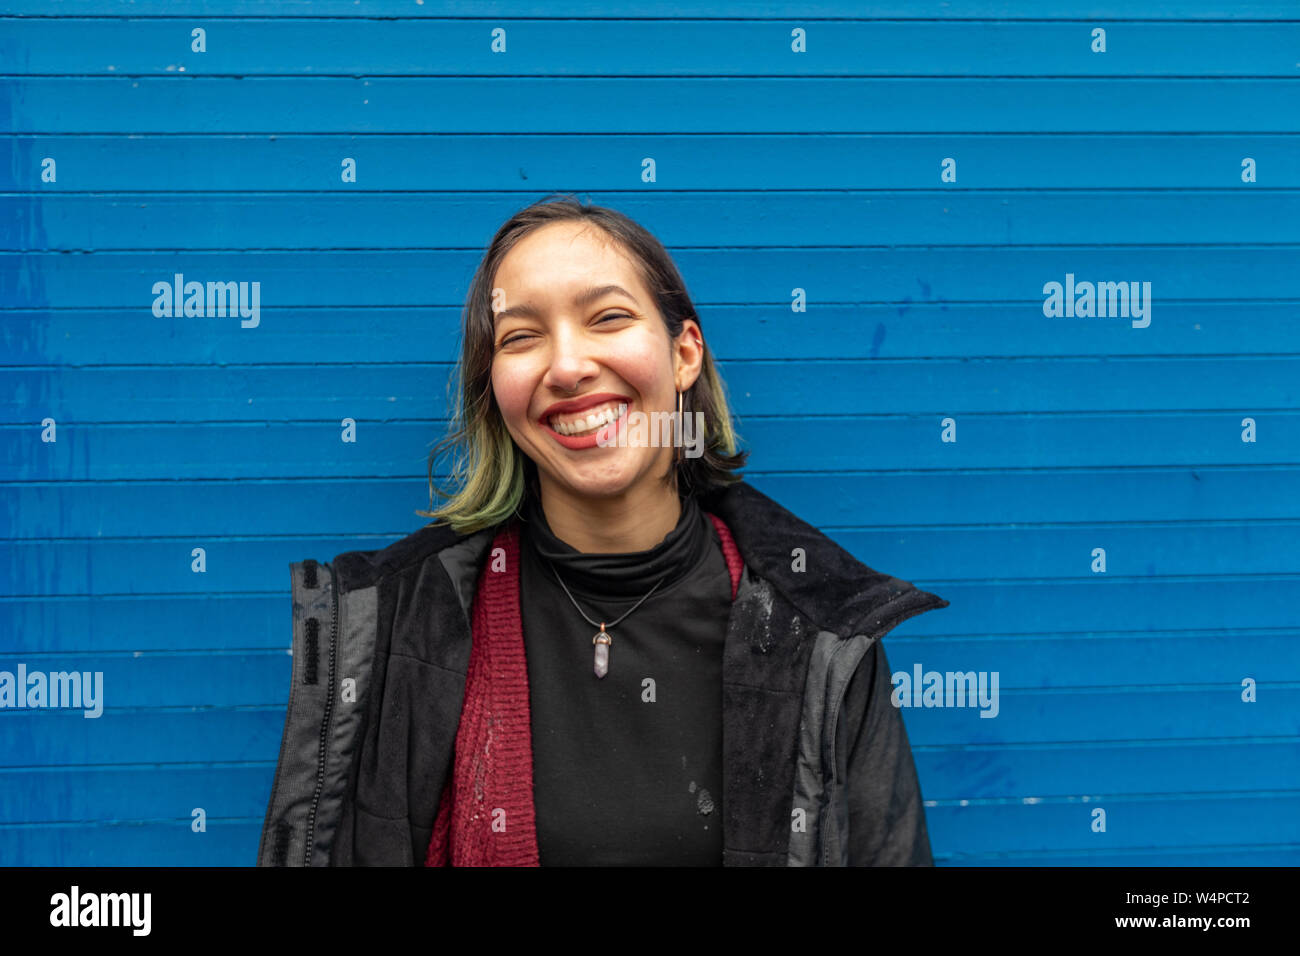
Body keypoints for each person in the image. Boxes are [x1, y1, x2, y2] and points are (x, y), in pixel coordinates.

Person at [257, 194, 949, 867]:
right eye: (522, 336)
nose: (566, 367)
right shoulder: (398, 625)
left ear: (685, 354)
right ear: (496, 392)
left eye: (608, 317)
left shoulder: (820, 627)